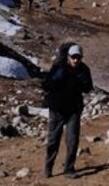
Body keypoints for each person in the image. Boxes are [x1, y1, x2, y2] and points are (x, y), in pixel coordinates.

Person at [42, 42, 94, 178]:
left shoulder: (84, 70)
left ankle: (69, 168)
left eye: (78, 57)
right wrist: (57, 80)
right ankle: (48, 167)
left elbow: (88, 88)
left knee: (72, 140)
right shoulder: (59, 67)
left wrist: (82, 81)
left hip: (73, 110)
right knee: (53, 139)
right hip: (57, 109)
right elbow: (46, 85)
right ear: (68, 57)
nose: (76, 60)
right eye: (73, 57)